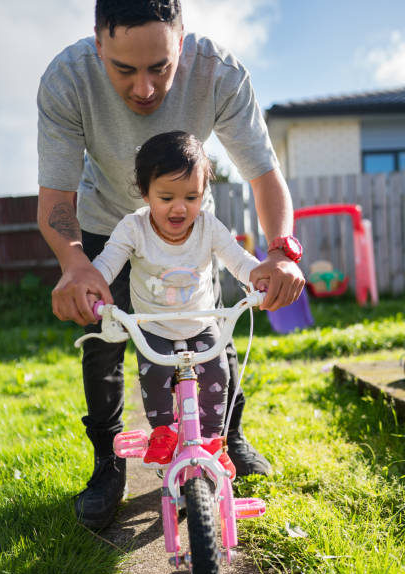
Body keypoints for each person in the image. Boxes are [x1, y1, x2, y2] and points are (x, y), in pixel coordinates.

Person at [37, 0, 305, 530]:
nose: (144, 89)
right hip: (104, 222)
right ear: (98, 44)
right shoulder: (66, 80)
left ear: (182, 41)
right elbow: (55, 198)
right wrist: (74, 261)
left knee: (211, 325)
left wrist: (279, 253)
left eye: (160, 68)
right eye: (124, 69)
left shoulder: (219, 73)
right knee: (106, 338)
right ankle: (108, 462)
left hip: (187, 221)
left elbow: (264, 175)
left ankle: (228, 437)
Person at [89, 131, 269, 482]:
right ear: (145, 193)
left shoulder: (208, 226)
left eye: (192, 196)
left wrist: (256, 277)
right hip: (153, 326)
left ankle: (215, 440)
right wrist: (93, 285)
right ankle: (163, 432)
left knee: (219, 375)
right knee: (154, 374)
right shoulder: (134, 227)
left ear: (204, 195)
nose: (180, 207)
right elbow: (108, 262)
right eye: (166, 196)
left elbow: (238, 259)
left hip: (202, 323)